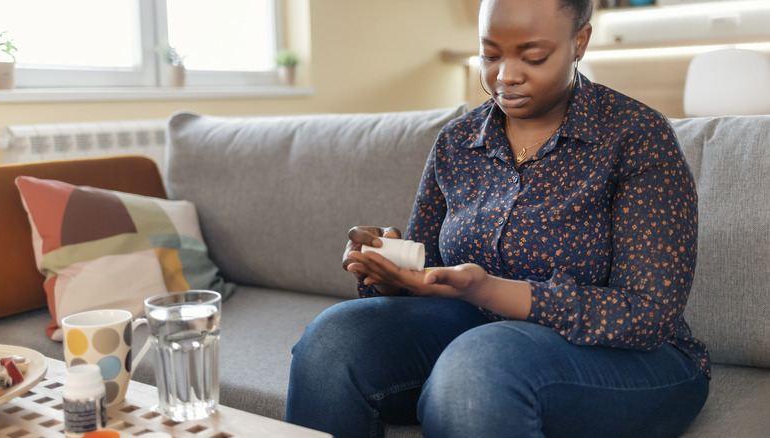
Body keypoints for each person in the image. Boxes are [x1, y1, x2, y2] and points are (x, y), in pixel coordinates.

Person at [286, 0, 710, 436]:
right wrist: (395, 271)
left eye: (533, 56)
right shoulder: (458, 141)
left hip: (631, 357)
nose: (505, 75)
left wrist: (490, 289)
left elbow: (648, 314)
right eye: (490, 54)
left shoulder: (636, 136)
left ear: (579, 41)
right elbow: (429, 273)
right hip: (478, 332)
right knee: (333, 341)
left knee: (479, 364)